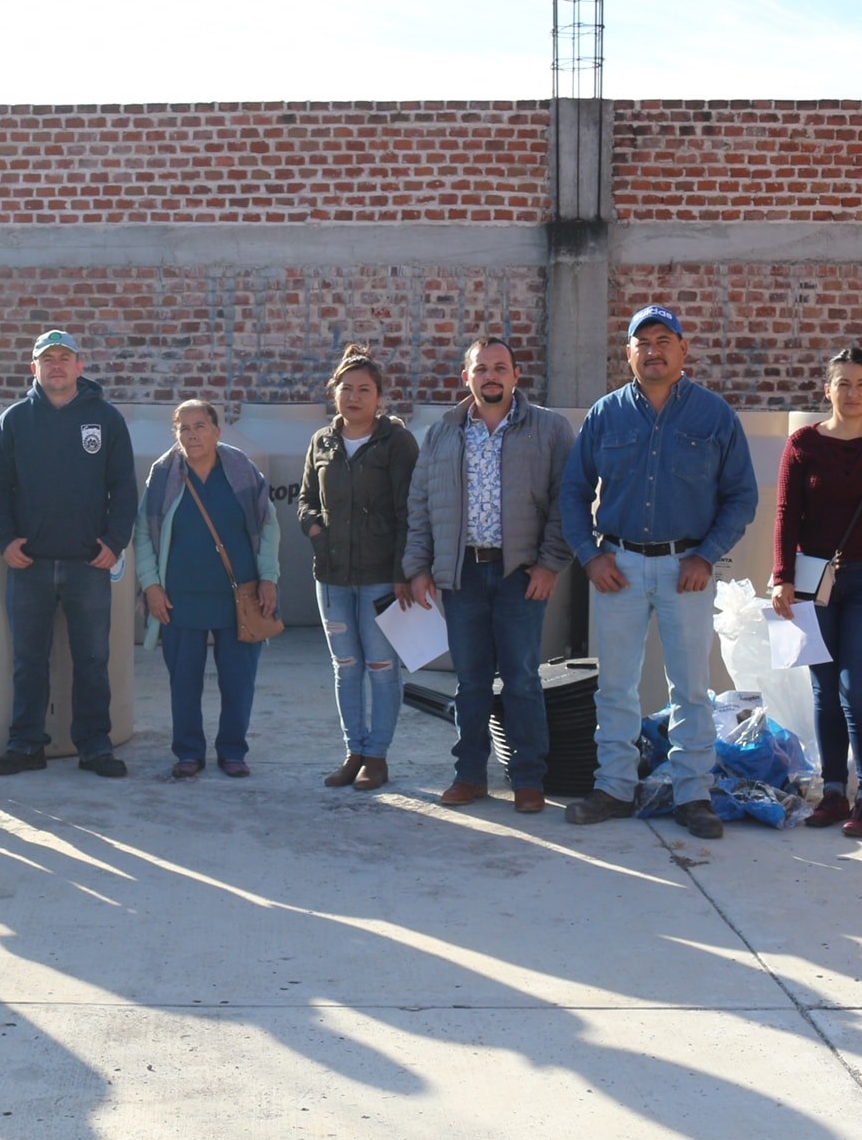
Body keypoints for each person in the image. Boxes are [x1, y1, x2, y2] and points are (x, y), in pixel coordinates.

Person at [560, 304, 758, 840]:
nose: (653, 349)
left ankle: (693, 795)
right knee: (615, 687)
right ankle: (614, 787)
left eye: (663, 339)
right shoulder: (605, 415)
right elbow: (573, 493)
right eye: (642, 341)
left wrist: (706, 555)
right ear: (628, 353)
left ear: (682, 349)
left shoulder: (714, 416)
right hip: (617, 568)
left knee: (692, 689)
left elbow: (741, 496)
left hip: (686, 569)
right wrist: (590, 555)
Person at [402, 338, 575, 812]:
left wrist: (550, 563)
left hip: (521, 573)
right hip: (462, 576)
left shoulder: (550, 430)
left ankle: (527, 779)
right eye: (481, 369)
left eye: (500, 368)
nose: (491, 376)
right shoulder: (443, 433)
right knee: (471, 681)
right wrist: (418, 567)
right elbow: (421, 504)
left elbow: (568, 500)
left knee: (521, 678)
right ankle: (469, 775)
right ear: (467, 378)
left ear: (517, 375)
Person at [769, 346, 862, 838]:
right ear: (826, 390)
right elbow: (787, 515)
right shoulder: (802, 444)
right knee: (824, 689)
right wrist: (781, 576)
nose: (852, 393)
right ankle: (834, 790)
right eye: (843, 384)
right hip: (814, 581)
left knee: (858, 688)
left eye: (861, 384)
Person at [0, 329, 137, 780]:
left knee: (92, 659)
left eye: (64, 357)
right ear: (34, 368)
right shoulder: (12, 422)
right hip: (29, 565)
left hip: (89, 563)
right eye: (46, 358)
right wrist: (3, 538)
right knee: (29, 661)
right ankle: (26, 744)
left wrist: (114, 541)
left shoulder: (105, 420)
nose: (56, 365)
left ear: (79, 366)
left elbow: (124, 488)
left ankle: (94, 746)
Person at [131, 400, 280, 779]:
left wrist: (269, 578)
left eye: (200, 426)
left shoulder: (242, 470)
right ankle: (188, 751)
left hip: (238, 598)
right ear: (176, 434)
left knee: (238, 680)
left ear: (217, 430)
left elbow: (268, 526)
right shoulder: (163, 475)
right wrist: (150, 586)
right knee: (184, 680)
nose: (192, 434)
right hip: (180, 598)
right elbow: (144, 536)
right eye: (184, 428)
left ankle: (233, 750)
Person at [299, 345, 420, 791]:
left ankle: (377, 756)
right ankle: (353, 751)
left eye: (363, 390)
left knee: (382, 665)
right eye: (346, 389)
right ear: (334, 393)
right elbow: (306, 499)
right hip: (331, 577)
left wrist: (403, 572)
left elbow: (411, 510)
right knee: (345, 665)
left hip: (379, 578)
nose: (353, 397)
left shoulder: (397, 442)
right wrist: (314, 529)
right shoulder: (322, 441)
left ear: (379, 397)